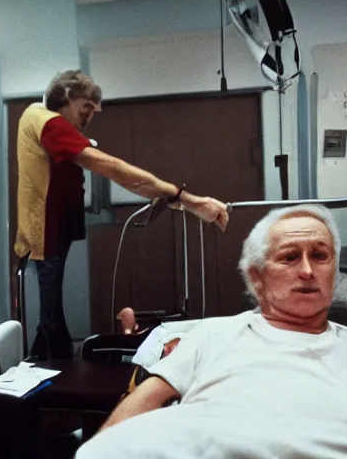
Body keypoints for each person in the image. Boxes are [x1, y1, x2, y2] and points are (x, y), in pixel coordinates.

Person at [75, 204, 347, 459]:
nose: (308, 270)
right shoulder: (210, 336)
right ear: (257, 277)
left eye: (320, 256)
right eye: (290, 257)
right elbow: (125, 426)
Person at [13, 70, 231, 361]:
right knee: (52, 318)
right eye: (86, 108)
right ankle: (58, 380)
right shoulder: (49, 123)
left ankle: (42, 366)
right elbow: (113, 168)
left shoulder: (39, 118)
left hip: (51, 228)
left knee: (50, 314)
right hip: (45, 231)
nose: (89, 116)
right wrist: (186, 199)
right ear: (67, 97)